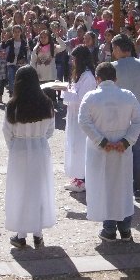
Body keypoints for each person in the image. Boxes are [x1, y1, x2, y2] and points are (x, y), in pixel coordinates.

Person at [78, 62, 140, 241]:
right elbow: (139, 121)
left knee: (104, 186)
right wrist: (126, 140)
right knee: (122, 186)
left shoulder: (90, 97)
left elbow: (83, 121)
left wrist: (101, 141)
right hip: (122, 149)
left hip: (100, 149)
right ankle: (125, 228)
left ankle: (109, 229)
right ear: (116, 79)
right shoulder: (128, 96)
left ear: (98, 79)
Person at [3, 65, 56, 249]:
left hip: (19, 150)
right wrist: (38, 139)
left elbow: (7, 132)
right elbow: (50, 130)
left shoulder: (13, 105)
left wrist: (17, 146)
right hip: (40, 149)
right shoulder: (47, 103)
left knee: (21, 192)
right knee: (39, 190)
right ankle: (38, 234)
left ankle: (21, 234)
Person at [111, 33, 140, 199]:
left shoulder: (113, 67)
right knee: (137, 150)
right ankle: (138, 187)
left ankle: (121, 184)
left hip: (119, 112)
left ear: (118, 48)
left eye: (113, 49)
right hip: (137, 109)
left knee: (118, 148)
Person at [62, 45, 96, 190]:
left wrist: (64, 92)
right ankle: (77, 176)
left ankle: (83, 179)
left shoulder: (88, 77)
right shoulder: (81, 75)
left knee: (80, 147)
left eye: (74, 59)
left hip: (81, 116)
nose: (72, 62)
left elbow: (82, 99)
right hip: (73, 114)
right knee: (74, 146)